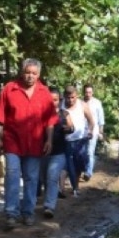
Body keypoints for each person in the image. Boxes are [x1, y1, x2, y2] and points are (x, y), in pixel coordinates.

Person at [0, 58, 58, 228]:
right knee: (12, 176)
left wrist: (49, 140)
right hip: (12, 141)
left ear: (39, 75)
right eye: (27, 72)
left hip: (35, 143)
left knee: (31, 178)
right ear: (22, 72)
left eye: (34, 73)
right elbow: (0, 118)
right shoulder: (10, 89)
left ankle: (28, 212)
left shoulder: (44, 92)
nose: (30, 76)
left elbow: (50, 121)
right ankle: (11, 214)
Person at [41, 88, 71, 219]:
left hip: (59, 152)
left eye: (55, 100)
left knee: (52, 177)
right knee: (45, 179)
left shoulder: (64, 114)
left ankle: (49, 206)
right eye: (50, 100)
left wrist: (68, 128)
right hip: (43, 152)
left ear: (60, 100)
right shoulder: (41, 114)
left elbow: (71, 127)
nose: (53, 102)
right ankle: (48, 199)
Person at [62, 85, 95, 197]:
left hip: (81, 140)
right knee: (69, 165)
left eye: (73, 97)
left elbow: (91, 121)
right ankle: (69, 188)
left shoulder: (82, 105)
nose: (70, 100)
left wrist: (90, 131)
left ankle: (75, 186)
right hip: (67, 140)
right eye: (68, 98)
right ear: (64, 96)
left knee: (79, 165)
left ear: (77, 96)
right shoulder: (61, 105)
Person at [81, 83, 104, 181]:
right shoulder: (80, 103)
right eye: (86, 92)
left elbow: (101, 118)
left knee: (90, 152)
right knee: (82, 152)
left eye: (90, 92)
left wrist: (101, 131)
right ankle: (83, 169)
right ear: (84, 92)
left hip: (93, 131)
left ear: (92, 92)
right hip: (81, 131)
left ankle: (88, 172)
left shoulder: (97, 103)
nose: (88, 94)